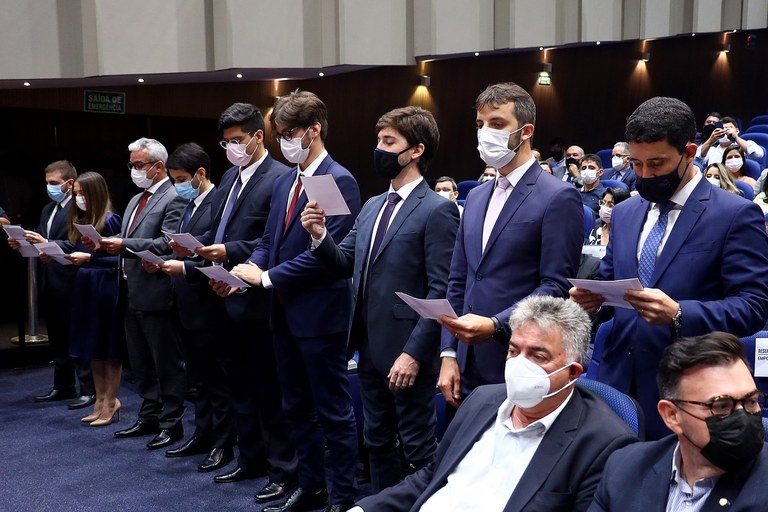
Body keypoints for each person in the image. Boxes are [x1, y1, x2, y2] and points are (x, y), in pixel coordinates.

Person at [569, 96, 768, 439]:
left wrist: (679, 314)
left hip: (689, 390)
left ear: (689, 152)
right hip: (616, 385)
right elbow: (611, 283)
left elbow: (753, 306)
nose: (644, 175)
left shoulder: (734, 214)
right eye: (637, 164)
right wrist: (594, 301)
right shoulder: (625, 212)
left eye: (657, 164)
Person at [351, 296, 637, 512]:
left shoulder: (603, 444)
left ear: (572, 372)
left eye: (538, 356)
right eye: (514, 350)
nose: (519, 364)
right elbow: (431, 477)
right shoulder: (482, 400)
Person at [301, 106, 460, 493]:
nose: (379, 149)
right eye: (379, 141)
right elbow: (344, 262)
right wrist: (320, 236)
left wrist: (414, 353)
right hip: (368, 346)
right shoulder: (373, 205)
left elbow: (440, 291)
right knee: (377, 441)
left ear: (416, 150)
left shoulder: (438, 209)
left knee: (418, 447)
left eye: (389, 142)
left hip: (408, 350)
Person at [224, 90, 361, 512]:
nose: (282, 141)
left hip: (320, 315)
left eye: (288, 133)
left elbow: (330, 257)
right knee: (295, 406)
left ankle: (342, 496)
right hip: (282, 312)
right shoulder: (285, 179)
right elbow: (270, 241)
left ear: (313, 130)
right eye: (279, 134)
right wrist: (247, 269)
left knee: (332, 411)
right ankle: (311, 484)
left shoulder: (337, 179)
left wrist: (266, 277)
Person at [171, 103, 297, 490]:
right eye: (226, 142)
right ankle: (250, 458)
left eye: (238, 140)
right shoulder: (229, 175)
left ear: (259, 136)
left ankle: (281, 470)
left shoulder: (281, 177)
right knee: (238, 385)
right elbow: (219, 230)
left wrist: (227, 251)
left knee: (268, 390)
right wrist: (198, 248)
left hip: (258, 301)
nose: (232, 148)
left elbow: (272, 242)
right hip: (222, 294)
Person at [438, 82, 584, 412]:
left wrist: (496, 325)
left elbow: (555, 287)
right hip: (464, 363)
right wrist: (448, 353)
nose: (485, 133)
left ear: (526, 131)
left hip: (519, 360)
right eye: (480, 124)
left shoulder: (558, 196)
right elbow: (459, 280)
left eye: (497, 123)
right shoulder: (476, 196)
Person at [589, 332, 768, 511]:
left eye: (751, 401)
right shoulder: (624, 467)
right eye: (721, 406)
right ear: (672, 415)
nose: (742, 416)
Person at [95, 138, 188, 450]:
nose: (133, 170)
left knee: (166, 362)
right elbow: (130, 238)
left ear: (158, 166)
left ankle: (171, 423)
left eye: (138, 165)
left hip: (157, 290)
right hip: (129, 288)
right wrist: (112, 243)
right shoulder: (136, 199)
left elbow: (167, 243)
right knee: (140, 362)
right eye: (131, 164)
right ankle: (149, 415)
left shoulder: (174, 196)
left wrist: (124, 245)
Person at [157, 143, 236, 472]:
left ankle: (223, 443)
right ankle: (202, 434)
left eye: (181, 179)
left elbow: (215, 252)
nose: (178, 185)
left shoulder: (219, 201)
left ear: (200, 174)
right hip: (186, 302)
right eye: (174, 179)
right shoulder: (187, 204)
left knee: (218, 380)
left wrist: (185, 264)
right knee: (199, 378)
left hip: (209, 301)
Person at [8, 160, 95, 408]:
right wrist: (24, 241)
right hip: (51, 279)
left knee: (78, 335)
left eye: (54, 183)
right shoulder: (49, 209)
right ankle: (63, 385)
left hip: (74, 280)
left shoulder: (80, 208)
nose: (50, 187)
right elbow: (43, 235)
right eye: (47, 183)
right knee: (57, 337)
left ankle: (88, 388)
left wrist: (45, 243)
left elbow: (78, 244)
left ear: (70, 183)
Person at [63, 172, 123, 426]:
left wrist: (90, 258)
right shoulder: (82, 220)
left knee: (109, 347)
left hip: (105, 286)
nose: (78, 198)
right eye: (76, 193)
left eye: (82, 193)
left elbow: (121, 257)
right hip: (86, 285)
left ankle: (111, 400)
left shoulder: (110, 220)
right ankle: (99, 400)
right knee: (93, 347)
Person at [696, 115, 764, 167]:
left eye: (728, 128)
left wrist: (736, 138)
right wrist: (710, 140)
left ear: (737, 130)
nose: (725, 131)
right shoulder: (711, 150)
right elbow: (696, 159)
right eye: (722, 129)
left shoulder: (743, 147)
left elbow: (758, 155)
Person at [579, 154, 607, 218]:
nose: (587, 171)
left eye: (591, 168)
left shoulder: (605, 194)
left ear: (600, 172)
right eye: (584, 168)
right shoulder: (574, 192)